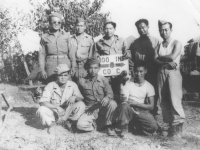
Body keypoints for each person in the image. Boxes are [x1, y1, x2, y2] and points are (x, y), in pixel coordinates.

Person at [154, 20, 185, 137]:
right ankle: (168, 125)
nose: (164, 32)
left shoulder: (176, 43)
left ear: (171, 30)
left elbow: (173, 56)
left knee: (175, 99)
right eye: (161, 30)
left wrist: (160, 58)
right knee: (163, 100)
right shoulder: (158, 46)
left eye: (166, 29)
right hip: (161, 72)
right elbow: (154, 60)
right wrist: (163, 60)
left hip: (173, 73)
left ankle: (177, 126)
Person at [36, 64, 85, 133]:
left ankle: (69, 122)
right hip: (55, 113)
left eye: (65, 75)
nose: (63, 78)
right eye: (60, 75)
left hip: (67, 112)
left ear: (68, 76)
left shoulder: (72, 84)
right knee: (41, 109)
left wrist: (74, 97)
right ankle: (52, 125)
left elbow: (81, 98)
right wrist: (57, 107)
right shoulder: (50, 85)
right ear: (57, 76)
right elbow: (42, 102)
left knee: (81, 104)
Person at [114, 62, 158, 137]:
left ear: (145, 71)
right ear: (133, 72)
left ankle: (136, 127)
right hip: (128, 108)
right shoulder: (128, 82)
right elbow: (121, 95)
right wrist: (121, 98)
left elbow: (151, 106)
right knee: (124, 106)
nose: (138, 74)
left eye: (141, 71)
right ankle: (124, 130)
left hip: (140, 110)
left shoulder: (149, 86)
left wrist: (136, 104)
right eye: (136, 71)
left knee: (153, 127)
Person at [76, 57, 117, 136]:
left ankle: (108, 126)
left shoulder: (104, 80)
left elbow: (110, 94)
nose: (93, 70)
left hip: (102, 107)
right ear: (87, 68)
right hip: (90, 109)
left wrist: (107, 97)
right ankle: (95, 127)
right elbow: (79, 96)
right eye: (90, 68)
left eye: (95, 68)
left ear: (99, 68)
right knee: (80, 125)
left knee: (112, 103)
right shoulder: (81, 81)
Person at [94, 19, 132, 99]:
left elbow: (128, 53)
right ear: (103, 29)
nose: (108, 31)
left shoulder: (121, 41)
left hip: (119, 74)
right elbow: (96, 55)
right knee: (107, 94)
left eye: (110, 28)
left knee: (121, 95)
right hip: (106, 75)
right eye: (106, 28)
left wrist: (126, 56)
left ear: (114, 29)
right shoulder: (99, 43)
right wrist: (98, 58)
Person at [129, 19, 160, 115]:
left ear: (148, 27)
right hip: (139, 74)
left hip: (152, 72)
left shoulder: (156, 41)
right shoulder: (134, 44)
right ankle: (141, 116)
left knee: (153, 95)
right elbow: (132, 60)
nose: (142, 30)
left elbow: (159, 57)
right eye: (139, 28)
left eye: (143, 27)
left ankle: (153, 116)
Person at [38, 12, 71, 83]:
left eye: (59, 22)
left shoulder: (66, 36)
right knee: (51, 85)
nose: (57, 24)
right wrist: (42, 70)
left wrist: (73, 66)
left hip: (65, 63)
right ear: (50, 23)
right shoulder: (44, 37)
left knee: (66, 86)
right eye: (54, 22)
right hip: (51, 65)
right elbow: (41, 55)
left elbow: (71, 53)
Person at [69, 18, 94, 85]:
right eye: (78, 25)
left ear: (85, 27)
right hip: (74, 66)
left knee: (85, 85)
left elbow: (91, 54)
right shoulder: (71, 39)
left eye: (81, 26)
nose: (79, 28)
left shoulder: (89, 39)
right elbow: (70, 54)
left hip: (85, 66)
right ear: (75, 26)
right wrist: (72, 66)